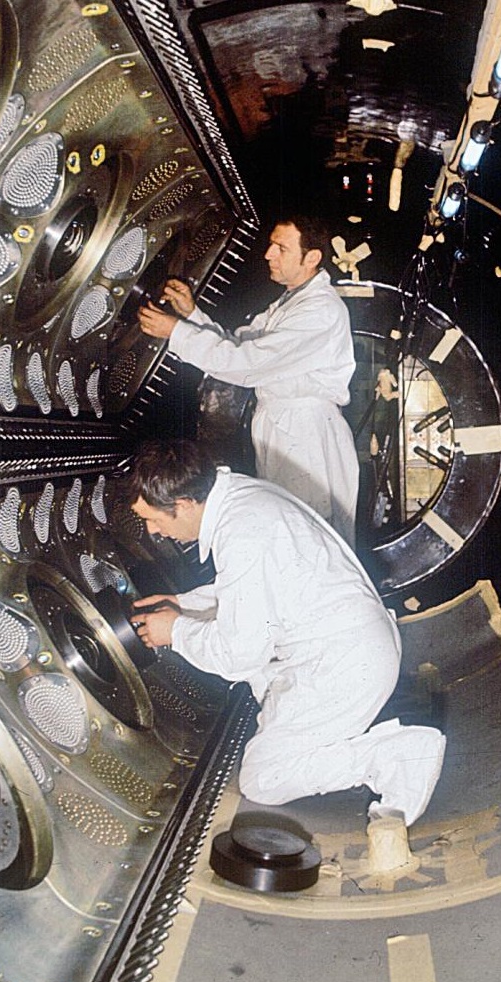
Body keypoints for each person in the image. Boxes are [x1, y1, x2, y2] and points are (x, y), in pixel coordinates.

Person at [125, 439, 446, 839]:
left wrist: (175, 631)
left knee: (264, 778)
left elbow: (238, 654)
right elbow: (255, 591)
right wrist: (182, 604)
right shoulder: (240, 499)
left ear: (186, 503)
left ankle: (394, 755)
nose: (153, 531)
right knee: (273, 720)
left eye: (154, 519)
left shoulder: (243, 533)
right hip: (349, 647)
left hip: (343, 667)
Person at [137, 216, 359, 544]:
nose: (268, 254)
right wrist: (192, 315)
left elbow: (247, 364)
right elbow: (241, 343)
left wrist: (176, 331)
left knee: (305, 537)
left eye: (281, 248)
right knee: (287, 532)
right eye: (271, 245)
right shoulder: (289, 303)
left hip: (305, 434)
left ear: (311, 258)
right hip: (284, 428)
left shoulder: (320, 310)